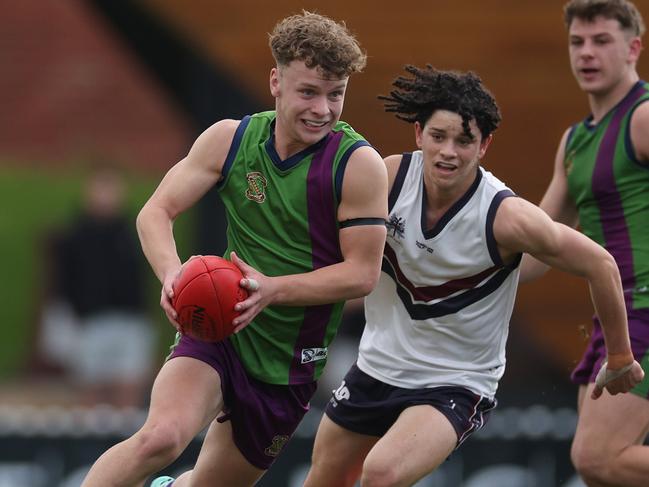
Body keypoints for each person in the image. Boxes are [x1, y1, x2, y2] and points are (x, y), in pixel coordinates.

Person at [80, 10, 388, 487]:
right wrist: (172, 274)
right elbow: (155, 213)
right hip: (216, 327)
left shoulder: (358, 165)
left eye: (336, 94)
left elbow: (362, 274)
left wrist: (272, 290)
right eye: (308, 91)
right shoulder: (231, 139)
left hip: (289, 363)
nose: (322, 109)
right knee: (159, 438)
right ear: (275, 81)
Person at [303, 65, 644, 487]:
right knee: (323, 478)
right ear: (418, 135)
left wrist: (619, 357)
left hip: (455, 382)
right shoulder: (387, 179)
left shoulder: (506, 216)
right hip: (375, 367)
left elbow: (601, 264)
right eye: (438, 136)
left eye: (464, 140)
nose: (449, 152)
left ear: (484, 145)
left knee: (381, 474)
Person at [520, 1, 649, 485]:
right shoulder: (574, 141)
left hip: (646, 312)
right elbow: (535, 247)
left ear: (633, 48)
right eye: (578, 42)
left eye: (601, 41)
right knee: (602, 473)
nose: (586, 53)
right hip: (615, 316)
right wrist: (457, 267)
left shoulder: (642, 117)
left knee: (597, 458)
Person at [38, 164, 155, 408]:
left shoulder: (132, 232)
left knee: (128, 387)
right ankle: (90, 445)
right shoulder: (75, 236)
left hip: (130, 321)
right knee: (90, 388)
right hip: (90, 323)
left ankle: (124, 443)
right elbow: (64, 282)